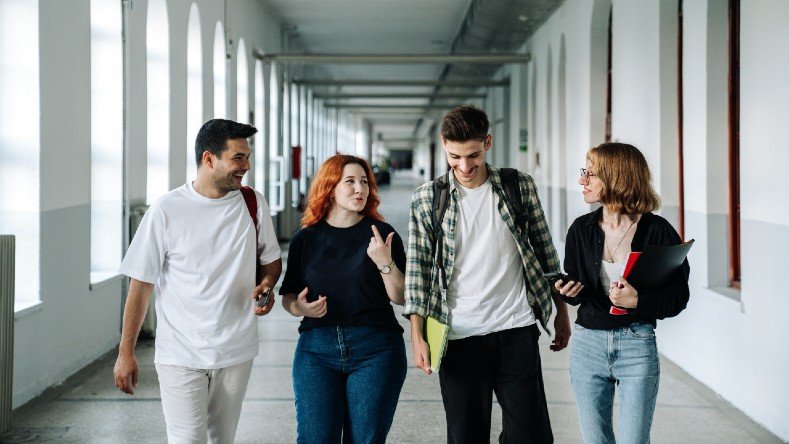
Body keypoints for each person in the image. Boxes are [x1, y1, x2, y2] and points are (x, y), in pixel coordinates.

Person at [404, 105, 571, 443]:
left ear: (488, 143)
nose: (464, 166)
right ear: (444, 146)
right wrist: (417, 335)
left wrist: (562, 312)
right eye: (454, 157)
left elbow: (545, 252)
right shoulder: (427, 199)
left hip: (516, 329)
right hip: (458, 336)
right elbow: (418, 272)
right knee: (466, 436)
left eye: (473, 155)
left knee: (533, 436)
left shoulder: (518, 186)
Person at [113, 119, 282, 443]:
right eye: (237, 158)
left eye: (246, 157)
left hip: (236, 349)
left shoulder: (252, 202)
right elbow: (142, 284)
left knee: (221, 438)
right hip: (180, 351)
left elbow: (270, 259)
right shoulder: (166, 210)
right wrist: (126, 352)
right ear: (208, 159)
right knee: (187, 440)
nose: (245, 166)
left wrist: (267, 285)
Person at [556, 142, 690, 443]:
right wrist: (569, 291)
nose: (582, 180)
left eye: (590, 174)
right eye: (583, 172)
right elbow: (579, 289)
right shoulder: (581, 229)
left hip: (636, 344)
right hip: (587, 344)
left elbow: (678, 297)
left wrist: (638, 301)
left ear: (617, 178)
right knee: (596, 440)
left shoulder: (659, 232)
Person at [279, 154, 407, 443]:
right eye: (349, 182)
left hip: (375, 350)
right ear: (330, 187)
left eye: (364, 182)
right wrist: (298, 307)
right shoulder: (305, 238)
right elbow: (288, 294)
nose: (360, 189)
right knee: (314, 438)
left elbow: (400, 297)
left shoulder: (383, 235)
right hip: (316, 351)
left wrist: (385, 263)